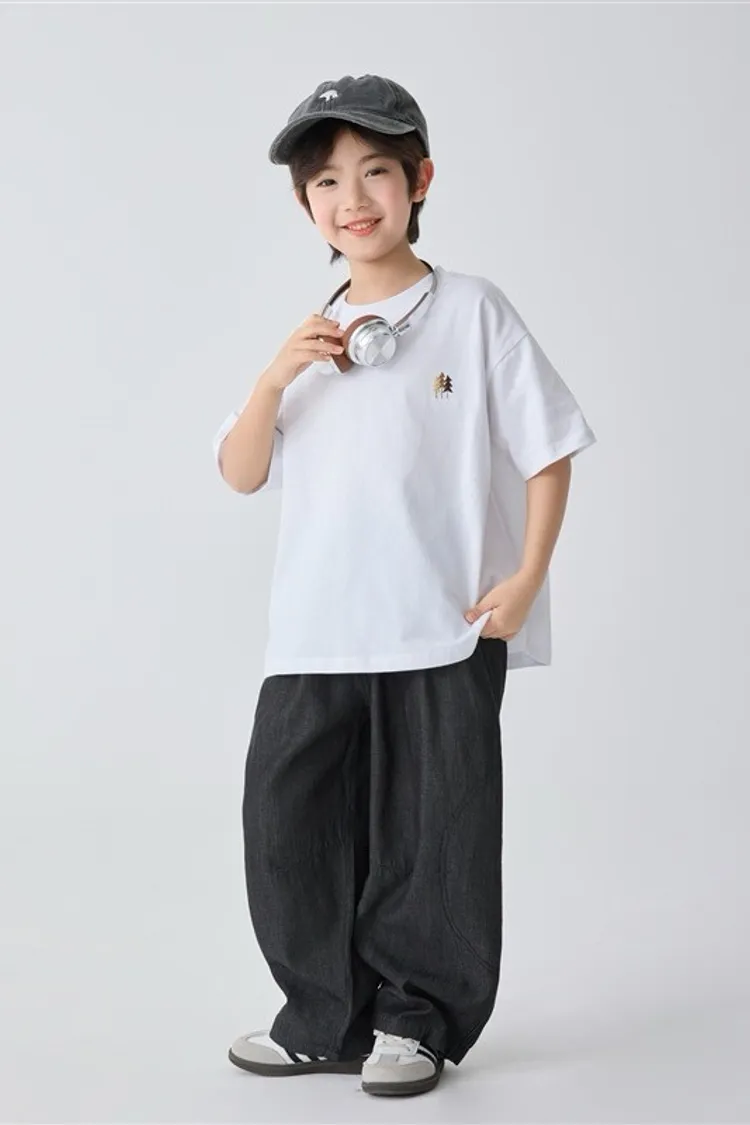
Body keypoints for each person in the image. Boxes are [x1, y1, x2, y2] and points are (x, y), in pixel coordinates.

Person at [212, 73, 597, 1098]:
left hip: (441, 626)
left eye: (375, 171)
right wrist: (274, 378)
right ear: (306, 204)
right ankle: (322, 1018)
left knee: (434, 837)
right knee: (288, 824)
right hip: (316, 632)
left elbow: (549, 448)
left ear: (420, 180)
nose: (353, 198)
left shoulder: (472, 311)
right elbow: (241, 471)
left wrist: (526, 576)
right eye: (327, 180)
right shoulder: (309, 339)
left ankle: (415, 1021)